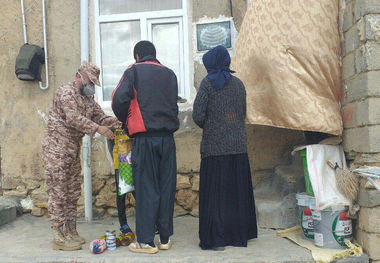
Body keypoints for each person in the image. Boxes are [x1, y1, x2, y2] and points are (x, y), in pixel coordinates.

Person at [42, 61, 121, 251]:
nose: (91, 85)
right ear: (80, 76)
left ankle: (70, 230)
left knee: (72, 191)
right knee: (59, 191)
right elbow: (73, 118)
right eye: (90, 81)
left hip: (72, 150)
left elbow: (100, 118)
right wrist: (98, 129)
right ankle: (58, 235)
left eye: (94, 83)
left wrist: (120, 123)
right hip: (57, 150)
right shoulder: (66, 92)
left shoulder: (87, 99)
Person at [112, 41, 179, 254]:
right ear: (155, 55)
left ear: (137, 56)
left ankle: (147, 242)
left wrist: (127, 120)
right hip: (167, 139)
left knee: (147, 188)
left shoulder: (134, 71)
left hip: (145, 138)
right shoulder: (170, 74)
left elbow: (117, 100)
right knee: (166, 187)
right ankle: (166, 238)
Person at [192, 45, 258, 251]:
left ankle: (217, 240)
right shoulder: (239, 84)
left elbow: (198, 115)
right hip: (238, 147)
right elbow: (243, 112)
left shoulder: (208, 84)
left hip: (214, 149)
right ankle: (238, 236)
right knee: (235, 193)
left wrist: (212, 125)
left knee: (216, 196)